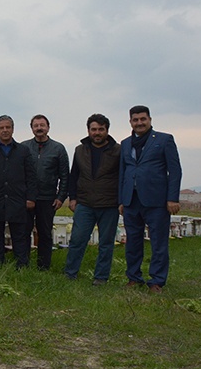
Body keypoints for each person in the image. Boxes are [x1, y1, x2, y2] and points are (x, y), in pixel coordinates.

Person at [119, 105, 182, 293]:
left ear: (150, 120)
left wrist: (172, 198)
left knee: (158, 243)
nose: (139, 123)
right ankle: (133, 277)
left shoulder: (164, 140)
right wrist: (121, 200)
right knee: (133, 241)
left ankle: (157, 280)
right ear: (130, 122)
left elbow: (175, 170)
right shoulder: (125, 143)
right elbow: (123, 172)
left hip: (157, 201)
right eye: (135, 120)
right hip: (131, 200)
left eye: (143, 119)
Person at [64, 114, 121, 285]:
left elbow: (122, 177)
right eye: (94, 129)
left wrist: (121, 201)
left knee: (106, 243)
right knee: (77, 240)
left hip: (109, 204)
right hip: (85, 203)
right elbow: (74, 175)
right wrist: (72, 198)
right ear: (88, 130)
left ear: (107, 130)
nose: (97, 133)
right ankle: (70, 273)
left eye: (101, 129)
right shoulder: (80, 150)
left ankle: (101, 277)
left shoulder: (118, 151)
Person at [0, 115, 36, 268]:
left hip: (18, 198)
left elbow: (31, 176)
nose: (5, 130)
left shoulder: (23, 151)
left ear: (13, 129)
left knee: (19, 234)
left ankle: (21, 265)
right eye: (1, 128)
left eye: (7, 127)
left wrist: (31, 198)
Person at [20, 114, 69, 271]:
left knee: (45, 234)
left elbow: (65, 176)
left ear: (48, 127)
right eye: (36, 125)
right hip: (26, 198)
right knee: (23, 232)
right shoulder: (24, 147)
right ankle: (23, 264)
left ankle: (43, 266)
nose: (39, 128)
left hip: (48, 198)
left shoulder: (58, 148)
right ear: (32, 128)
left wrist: (61, 197)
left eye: (42, 125)